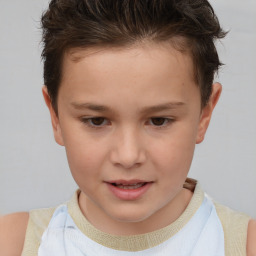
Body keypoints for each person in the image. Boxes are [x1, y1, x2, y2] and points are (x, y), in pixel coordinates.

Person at [0, 0, 255, 255]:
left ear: (204, 114)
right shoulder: (13, 243)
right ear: (55, 116)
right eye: (96, 121)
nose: (128, 156)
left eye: (158, 120)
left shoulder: (245, 245)